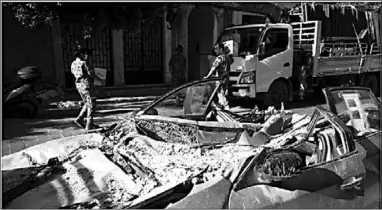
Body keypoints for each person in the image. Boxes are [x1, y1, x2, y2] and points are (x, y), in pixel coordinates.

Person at [71, 44, 102, 130]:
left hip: (78, 85)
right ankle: (89, 124)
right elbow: (91, 73)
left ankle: (80, 118)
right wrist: (100, 79)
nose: (86, 55)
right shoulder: (84, 63)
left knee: (86, 103)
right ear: (81, 54)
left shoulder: (73, 63)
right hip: (86, 84)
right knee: (92, 103)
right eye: (84, 53)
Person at [204, 43, 233, 110]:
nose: (215, 50)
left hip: (220, 79)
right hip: (226, 78)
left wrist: (207, 76)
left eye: (216, 49)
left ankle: (226, 108)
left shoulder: (219, 58)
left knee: (221, 94)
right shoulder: (227, 57)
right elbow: (232, 60)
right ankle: (222, 108)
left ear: (221, 49)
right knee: (222, 93)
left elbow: (213, 68)